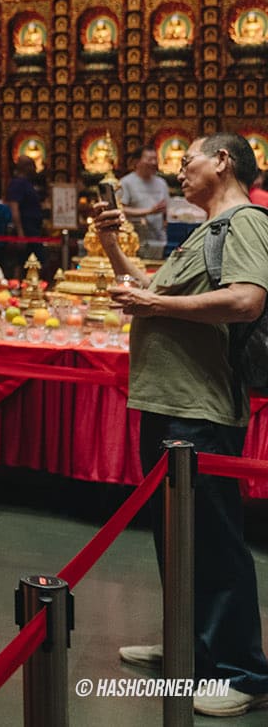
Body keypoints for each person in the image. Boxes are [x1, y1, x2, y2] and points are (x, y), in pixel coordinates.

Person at [96, 133, 268, 718]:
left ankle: (243, 670)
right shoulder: (205, 230)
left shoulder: (243, 221)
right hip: (172, 402)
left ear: (222, 161)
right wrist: (112, 245)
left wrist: (159, 308)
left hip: (200, 409)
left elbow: (246, 299)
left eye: (187, 161)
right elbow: (150, 291)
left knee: (215, 542)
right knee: (178, 538)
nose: (178, 173)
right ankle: (189, 649)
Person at [120, 145, 170, 260]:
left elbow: (167, 210)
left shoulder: (161, 183)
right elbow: (121, 209)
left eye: (155, 159)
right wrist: (149, 211)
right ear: (137, 162)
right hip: (135, 238)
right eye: (149, 159)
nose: (153, 163)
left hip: (158, 238)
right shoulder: (126, 182)